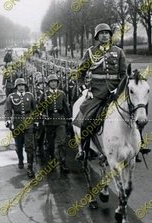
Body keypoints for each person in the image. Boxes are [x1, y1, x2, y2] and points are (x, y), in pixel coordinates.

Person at [72, 23, 128, 161]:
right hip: (96, 92)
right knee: (86, 119)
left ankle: (138, 145)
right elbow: (80, 73)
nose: (104, 35)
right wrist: (84, 88)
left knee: (134, 114)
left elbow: (124, 75)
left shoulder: (119, 52)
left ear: (110, 35)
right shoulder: (90, 52)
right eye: (101, 33)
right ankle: (84, 150)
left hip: (116, 91)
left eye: (107, 33)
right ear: (97, 36)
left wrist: (119, 89)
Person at [4, 78, 36, 178]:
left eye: (23, 85)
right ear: (16, 87)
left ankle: (30, 167)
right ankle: (21, 159)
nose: (21, 87)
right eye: (19, 86)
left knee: (30, 146)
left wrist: (36, 121)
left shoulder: (30, 96)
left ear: (25, 86)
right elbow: (7, 110)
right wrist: (8, 120)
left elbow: (35, 110)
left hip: (28, 123)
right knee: (18, 145)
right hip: (17, 124)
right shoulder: (11, 97)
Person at [39, 74, 71, 173]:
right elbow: (40, 108)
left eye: (55, 81)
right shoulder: (44, 94)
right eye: (51, 82)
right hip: (49, 121)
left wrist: (68, 119)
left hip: (61, 120)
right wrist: (42, 114)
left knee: (61, 143)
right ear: (48, 84)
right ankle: (52, 161)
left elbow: (66, 107)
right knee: (50, 144)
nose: (53, 83)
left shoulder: (62, 94)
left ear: (57, 83)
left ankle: (63, 162)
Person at [34, 73, 46, 158]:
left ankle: (46, 143)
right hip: (38, 116)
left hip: (46, 115)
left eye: (44, 83)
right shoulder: (35, 94)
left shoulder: (47, 94)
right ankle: (38, 147)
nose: (43, 85)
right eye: (41, 84)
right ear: (38, 85)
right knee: (39, 133)